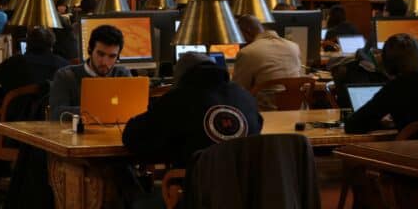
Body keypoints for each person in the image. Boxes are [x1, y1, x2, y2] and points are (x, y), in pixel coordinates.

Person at [123, 52, 263, 167]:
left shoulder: (177, 99)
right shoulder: (245, 96)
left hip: (196, 194)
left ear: (180, 78)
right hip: (246, 194)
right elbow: (258, 127)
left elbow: (132, 138)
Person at [345, 33, 418, 135]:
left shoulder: (395, 88)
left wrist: (380, 123)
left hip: (415, 156)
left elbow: (353, 125)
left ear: (388, 65)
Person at [49, 24, 130, 119]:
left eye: (112, 56)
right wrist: (98, 110)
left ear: (118, 57)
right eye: (100, 54)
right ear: (89, 50)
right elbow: (56, 113)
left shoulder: (122, 75)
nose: (105, 62)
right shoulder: (65, 76)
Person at [0, 27, 69, 98]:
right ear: (51, 46)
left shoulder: (14, 62)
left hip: (16, 121)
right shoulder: (64, 66)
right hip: (55, 122)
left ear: (27, 45)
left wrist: (8, 94)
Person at [232, 15, 302, 92]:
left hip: (265, 103)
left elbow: (238, 89)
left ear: (247, 31)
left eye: (239, 34)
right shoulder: (294, 46)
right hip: (296, 102)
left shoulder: (247, 52)